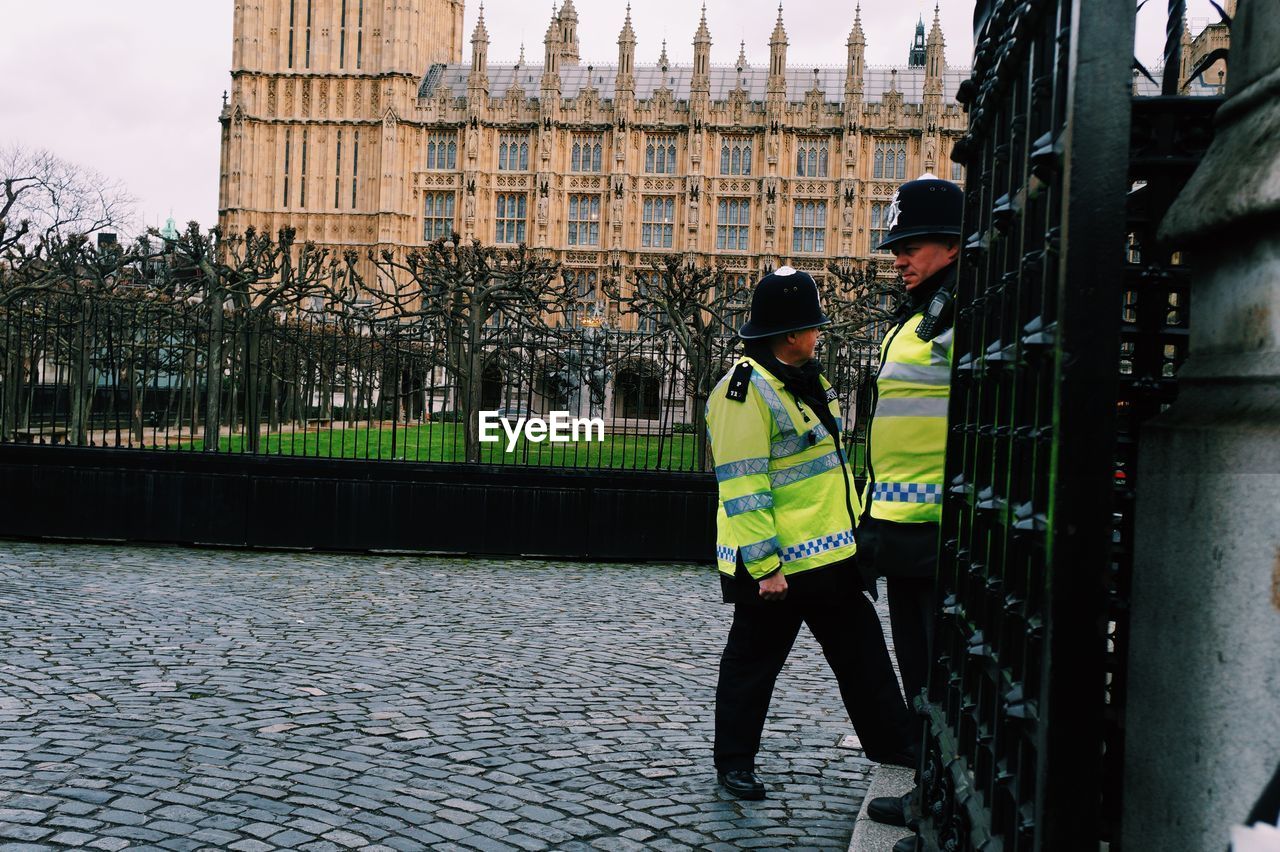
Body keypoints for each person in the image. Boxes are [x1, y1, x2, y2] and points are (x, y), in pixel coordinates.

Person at [708, 265, 919, 801]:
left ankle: (894, 743)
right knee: (752, 665)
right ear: (790, 334)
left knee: (862, 654)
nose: (818, 334)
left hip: (828, 555)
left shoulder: (806, 378)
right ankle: (734, 763)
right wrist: (766, 567)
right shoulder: (743, 392)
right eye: (812, 326)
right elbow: (743, 487)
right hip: (776, 566)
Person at [860, 174, 963, 850]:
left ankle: (948, 808)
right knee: (921, 677)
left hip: (941, 533)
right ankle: (931, 792)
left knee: (943, 682)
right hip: (903, 533)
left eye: (910, 245)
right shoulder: (925, 312)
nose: (898, 258)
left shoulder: (964, 311)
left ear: (952, 244)